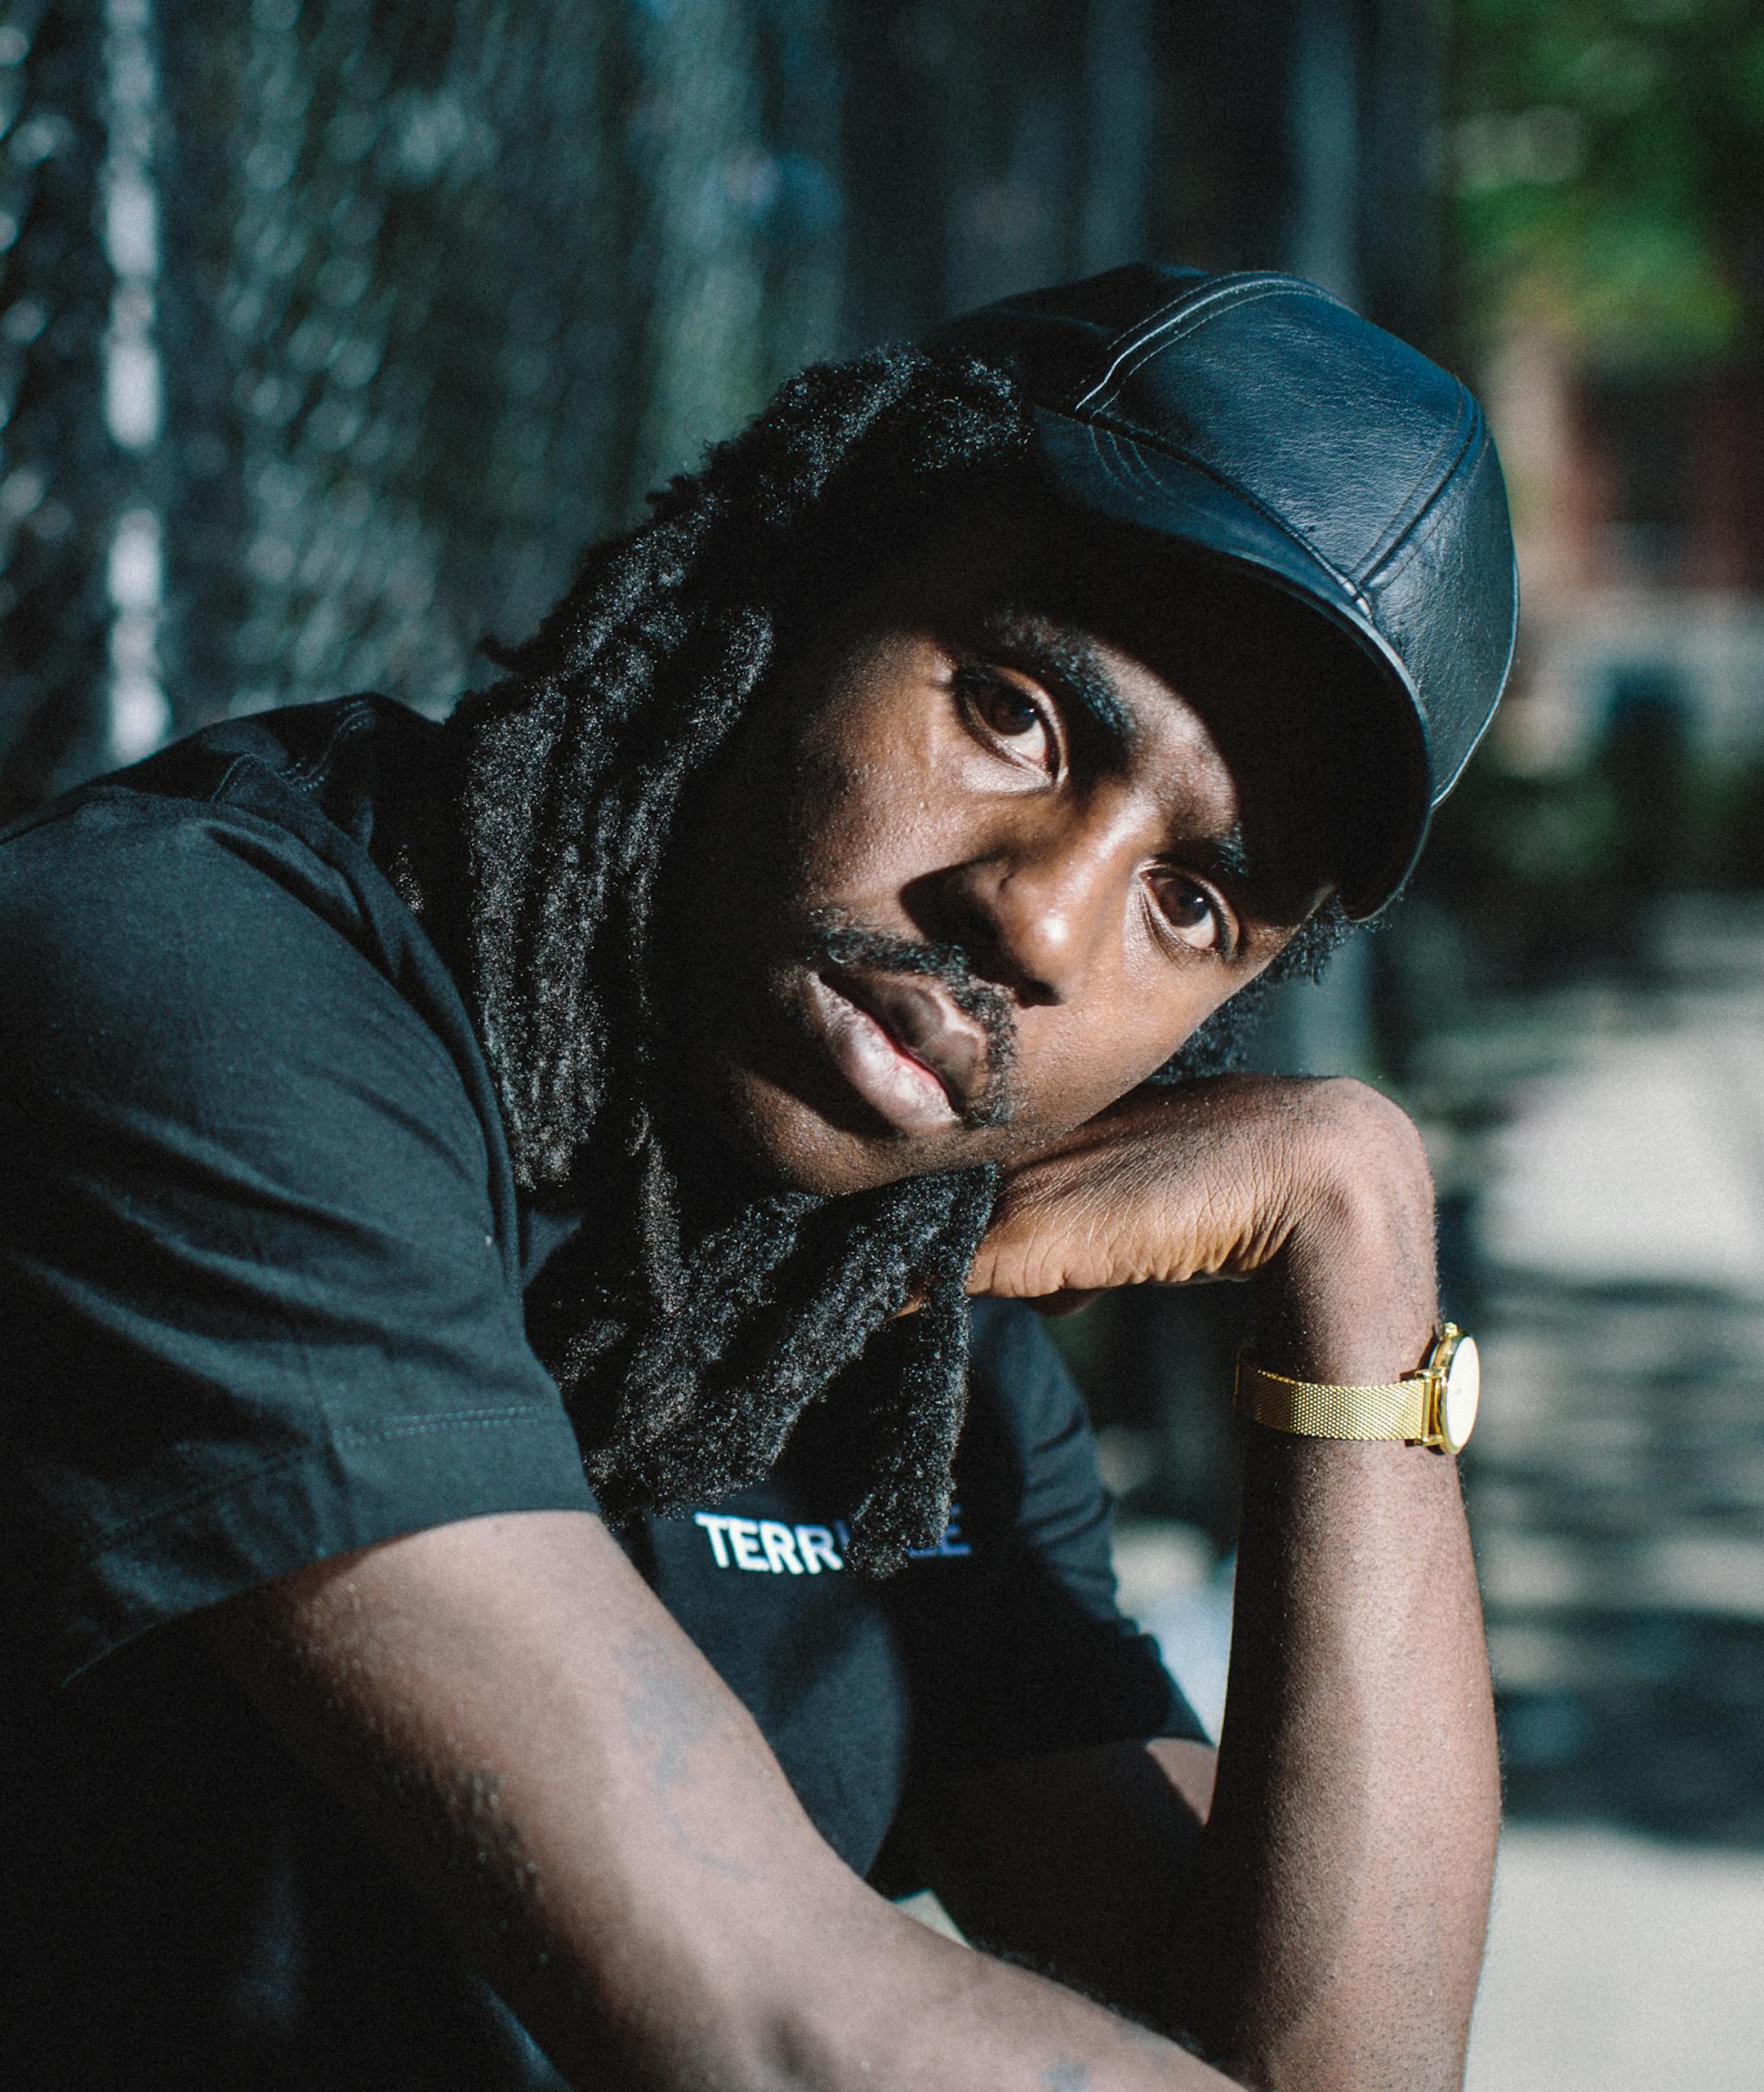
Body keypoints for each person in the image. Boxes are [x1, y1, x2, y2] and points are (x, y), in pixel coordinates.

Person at [1, 265, 1517, 2091]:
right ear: (810, 576)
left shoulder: (903, 1337)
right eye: (1017, 714)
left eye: (1191, 904)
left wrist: (1362, 1219)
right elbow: (773, 2021)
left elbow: (1329, 2063)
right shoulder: (200, 983)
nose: (1041, 922)